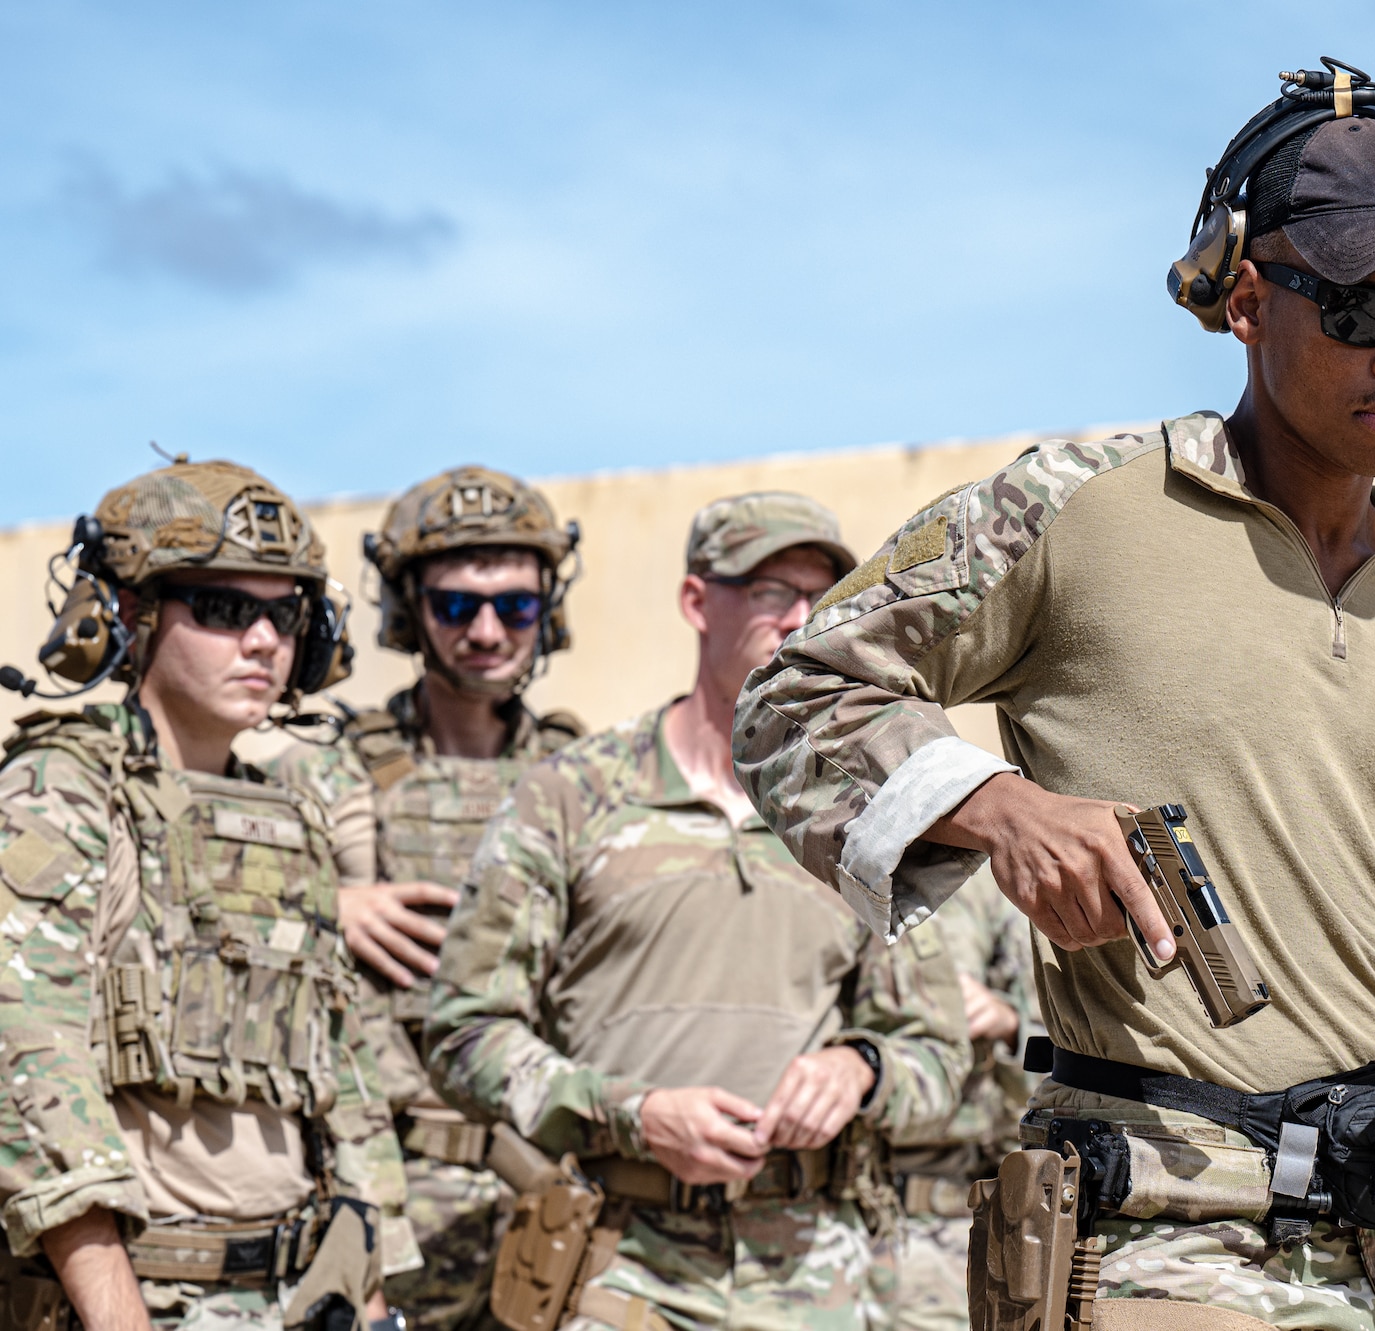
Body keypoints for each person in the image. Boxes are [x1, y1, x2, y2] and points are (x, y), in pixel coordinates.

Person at [735, 61, 1375, 1330]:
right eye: (1363, 308)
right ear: (1247, 300)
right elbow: (795, 690)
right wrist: (989, 805)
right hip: (1156, 1244)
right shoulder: (1083, 509)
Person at [425, 492, 970, 1331]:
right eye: (766, 590)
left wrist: (860, 1070)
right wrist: (632, 1114)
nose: (796, 616)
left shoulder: (865, 815)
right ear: (694, 602)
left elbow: (936, 1053)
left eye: (817, 596)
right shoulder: (570, 795)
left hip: (819, 1279)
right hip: (614, 1265)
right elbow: (465, 1035)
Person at [0, 458, 409, 1331]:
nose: (262, 640)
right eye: (224, 608)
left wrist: (370, 1302)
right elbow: (26, 1050)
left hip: (296, 1297)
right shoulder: (62, 787)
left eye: (286, 613)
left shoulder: (294, 813)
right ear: (131, 616)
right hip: (143, 1298)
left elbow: (341, 1076)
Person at [276, 466, 585, 1331]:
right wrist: (324, 902)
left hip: (556, 1185)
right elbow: (208, 896)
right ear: (410, 610)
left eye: (515, 606)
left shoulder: (588, 775)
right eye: (456, 606)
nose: (487, 630)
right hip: (388, 1188)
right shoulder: (333, 767)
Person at [885, 867, 1040, 1331]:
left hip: (946, 1233)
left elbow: (1058, 1075)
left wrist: (1007, 1023)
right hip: (808, 1213)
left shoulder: (992, 883)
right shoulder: (804, 865)